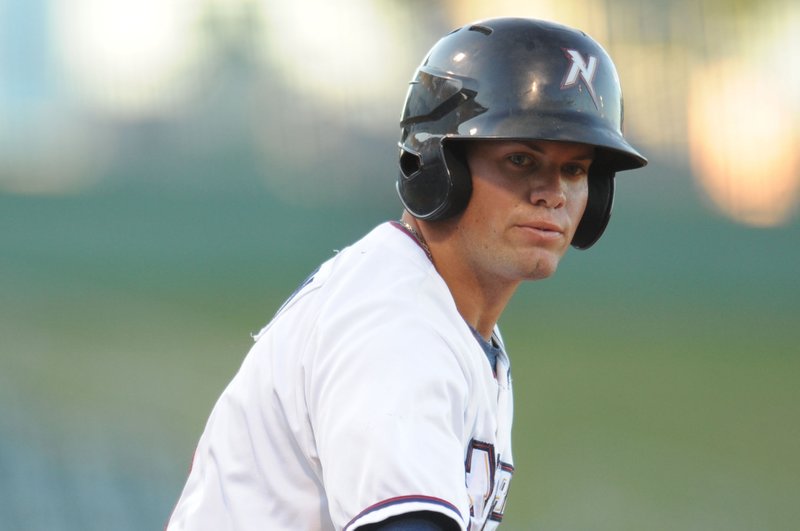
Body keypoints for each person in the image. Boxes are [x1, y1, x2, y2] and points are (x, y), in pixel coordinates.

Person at [166, 17, 646, 531]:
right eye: (521, 159)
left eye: (574, 169)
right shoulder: (396, 325)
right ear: (441, 165)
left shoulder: (442, 314)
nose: (552, 192)